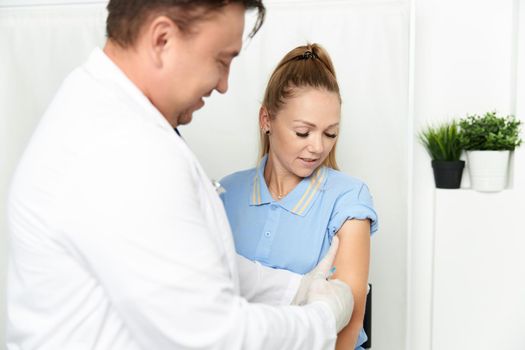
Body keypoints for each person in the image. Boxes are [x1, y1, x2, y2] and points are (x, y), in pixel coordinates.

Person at [6, 2, 354, 349]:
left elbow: (182, 263)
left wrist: (296, 288)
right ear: (162, 39)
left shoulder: (103, 112)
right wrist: (323, 317)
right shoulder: (119, 146)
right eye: (221, 60)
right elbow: (215, 335)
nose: (224, 85)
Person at [220, 43, 379, 349]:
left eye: (330, 133)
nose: (318, 147)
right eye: (303, 132)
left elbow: (346, 333)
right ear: (266, 120)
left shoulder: (348, 200)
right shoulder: (226, 194)